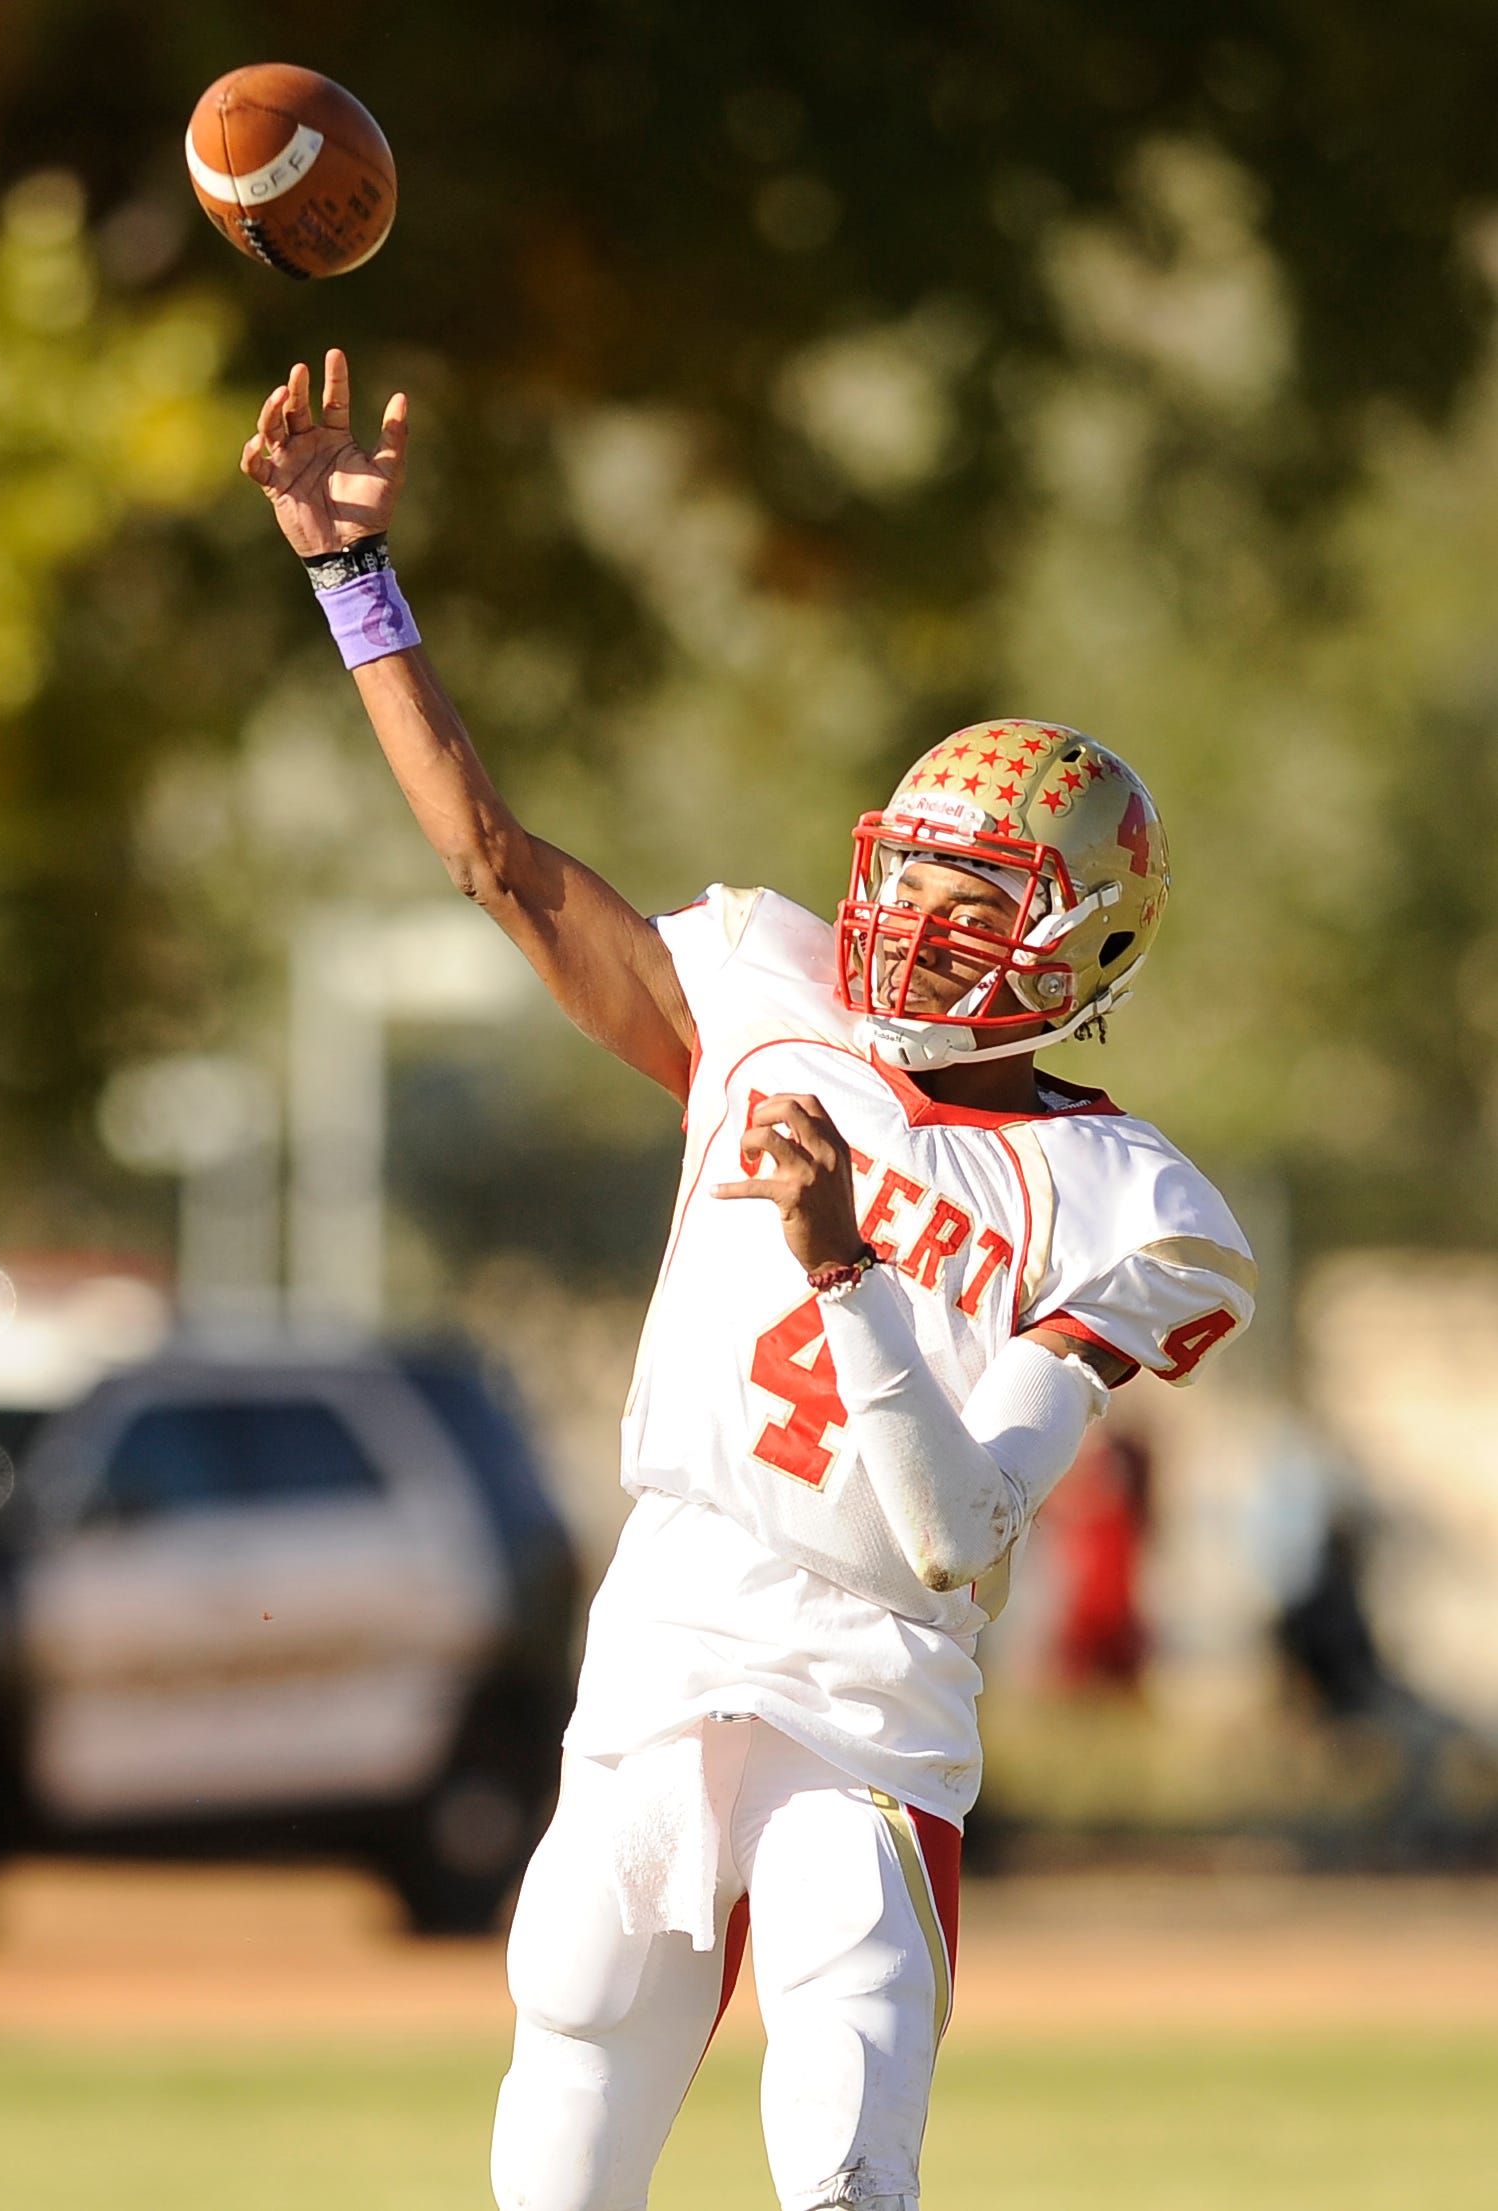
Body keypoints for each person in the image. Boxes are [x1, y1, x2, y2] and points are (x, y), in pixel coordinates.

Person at [242, 351, 1257, 2211]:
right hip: (671, 1602)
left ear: (1075, 944)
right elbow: (494, 862)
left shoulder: (1127, 1204)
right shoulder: (765, 1004)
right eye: (908, 877)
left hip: (867, 1670)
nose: (907, 924)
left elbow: (954, 1530)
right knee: (569, 2006)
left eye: (971, 901)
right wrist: (348, 579)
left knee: (843, 1999)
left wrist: (844, 1266)